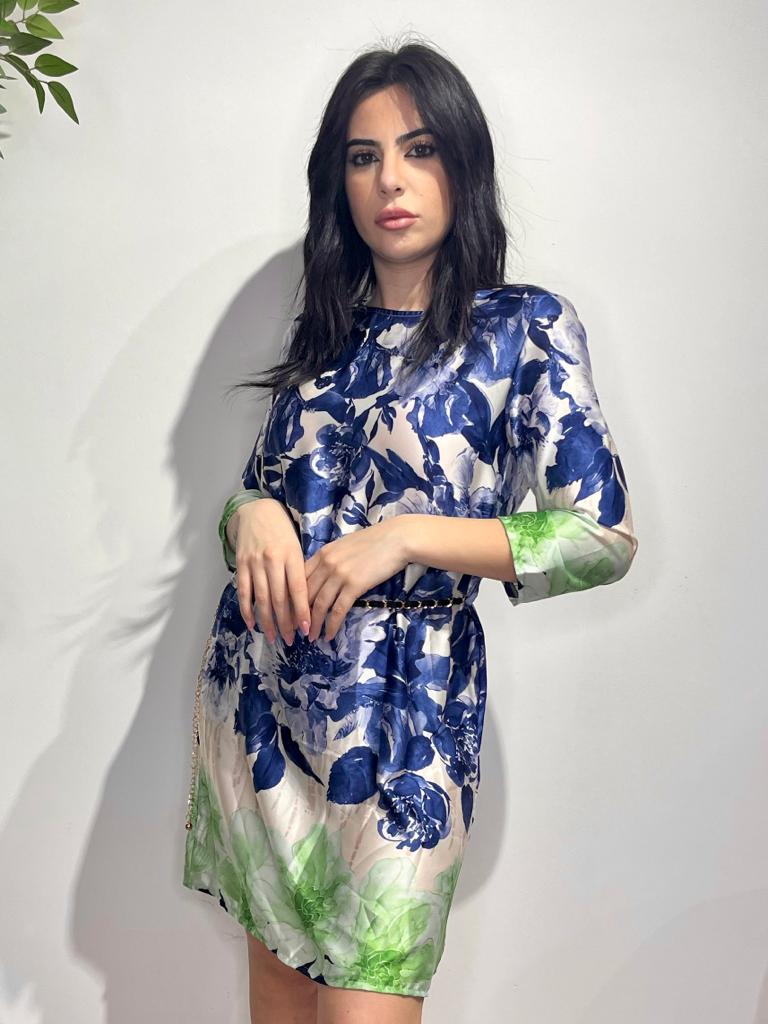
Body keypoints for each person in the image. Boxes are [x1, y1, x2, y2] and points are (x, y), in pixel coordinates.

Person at [182, 39, 639, 1024]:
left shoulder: (522, 328)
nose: (390, 178)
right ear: (338, 184)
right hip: (266, 710)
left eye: (419, 149)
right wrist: (244, 512)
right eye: (364, 156)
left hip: (407, 724)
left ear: (462, 164)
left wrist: (406, 537)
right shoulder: (326, 335)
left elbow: (599, 536)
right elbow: (264, 499)